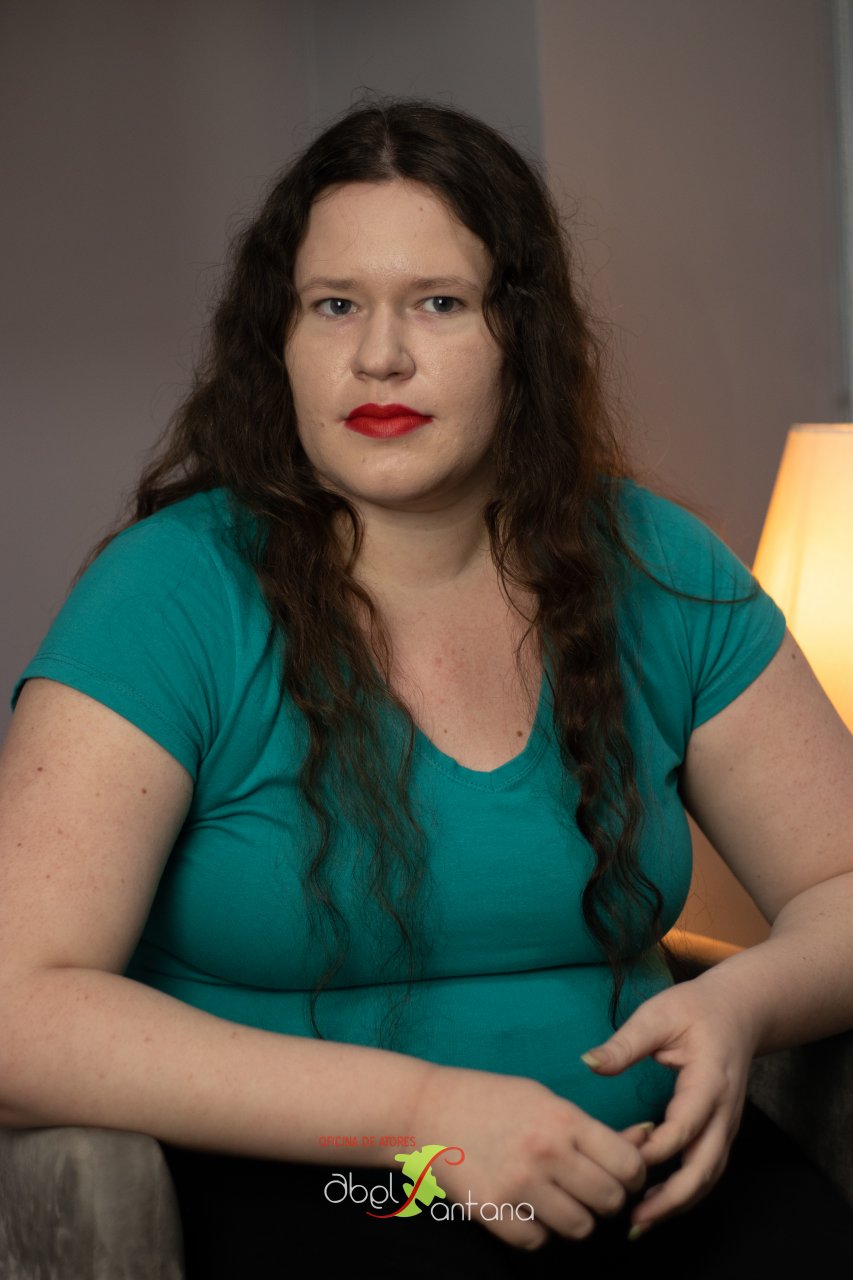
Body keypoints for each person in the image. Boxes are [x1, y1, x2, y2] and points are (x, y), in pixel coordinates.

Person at [2, 98, 853, 1277]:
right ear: (279, 338)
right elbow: (16, 1009)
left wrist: (741, 1002)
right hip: (351, 1184)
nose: (379, 356)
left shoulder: (658, 562)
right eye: (333, 304)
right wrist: (424, 1117)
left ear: (520, 334)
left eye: (438, 303)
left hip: (646, 1166)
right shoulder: (168, 592)